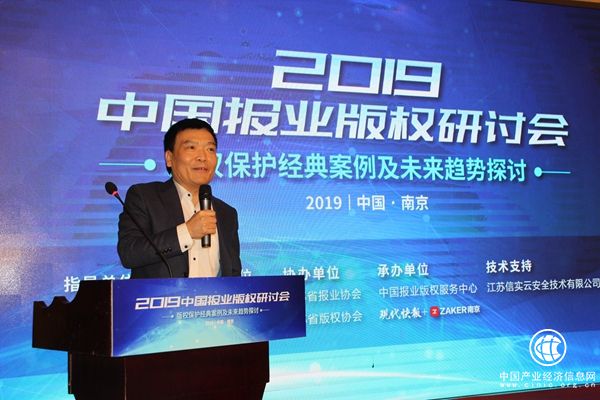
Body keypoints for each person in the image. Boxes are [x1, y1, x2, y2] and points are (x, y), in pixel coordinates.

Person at [117, 118, 241, 278]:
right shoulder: (145, 197)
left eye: (210, 149)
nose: (203, 157)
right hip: (163, 294)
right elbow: (129, 253)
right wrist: (187, 232)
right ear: (169, 158)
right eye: (191, 148)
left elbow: (233, 272)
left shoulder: (227, 213)